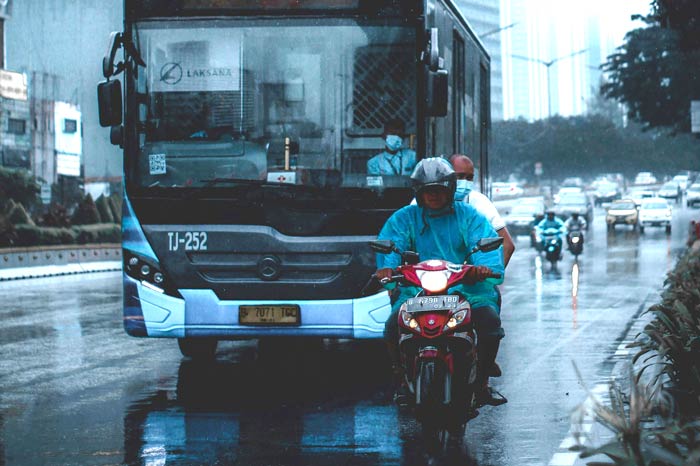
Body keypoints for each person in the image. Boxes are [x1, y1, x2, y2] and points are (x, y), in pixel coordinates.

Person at [375, 157, 507, 407]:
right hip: (416, 290)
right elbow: (391, 246)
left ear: (450, 190)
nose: (433, 196)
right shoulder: (405, 218)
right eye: (428, 191)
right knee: (393, 326)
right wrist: (387, 270)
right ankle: (402, 379)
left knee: (490, 323)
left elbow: (486, 246)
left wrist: (482, 268)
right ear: (419, 193)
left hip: (466, 289)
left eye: (439, 190)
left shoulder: (470, 216)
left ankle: (481, 384)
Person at [450, 154, 515, 267]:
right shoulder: (418, 205)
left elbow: (507, 245)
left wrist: (487, 280)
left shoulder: (478, 203)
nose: (464, 182)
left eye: (469, 178)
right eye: (459, 176)